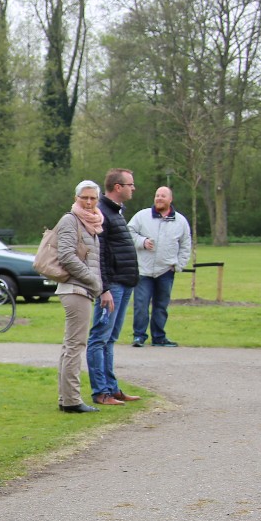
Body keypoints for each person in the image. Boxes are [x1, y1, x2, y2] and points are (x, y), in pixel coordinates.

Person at [87, 168, 140, 407]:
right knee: (100, 337)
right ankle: (100, 391)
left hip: (124, 282)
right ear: (118, 187)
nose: (133, 188)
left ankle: (112, 388)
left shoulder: (116, 212)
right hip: (113, 286)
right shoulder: (102, 213)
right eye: (130, 184)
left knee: (110, 339)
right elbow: (99, 255)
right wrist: (104, 288)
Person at [54, 182, 104, 413]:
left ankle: (66, 397)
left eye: (93, 198)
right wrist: (93, 281)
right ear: (76, 198)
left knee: (71, 345)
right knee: (75, 345)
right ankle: (72, 400)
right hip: (75, 289)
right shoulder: (70, 220)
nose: (89, 202)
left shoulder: (92, 222)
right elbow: (66, 256)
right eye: (85, 197)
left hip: (82, 289)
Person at [129, 186, 191, 347]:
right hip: (143, 270)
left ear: (170, 199)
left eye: (163, 196)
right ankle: (139, 336)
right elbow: (128, 233)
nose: (159, 198)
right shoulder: (142, 216)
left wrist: (178, 265)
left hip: (166, 270)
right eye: (157, 195)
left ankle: (158, 337)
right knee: (141, 305)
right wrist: (142, 242)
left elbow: (185, 245)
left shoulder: (180, 221)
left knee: (161, 306)